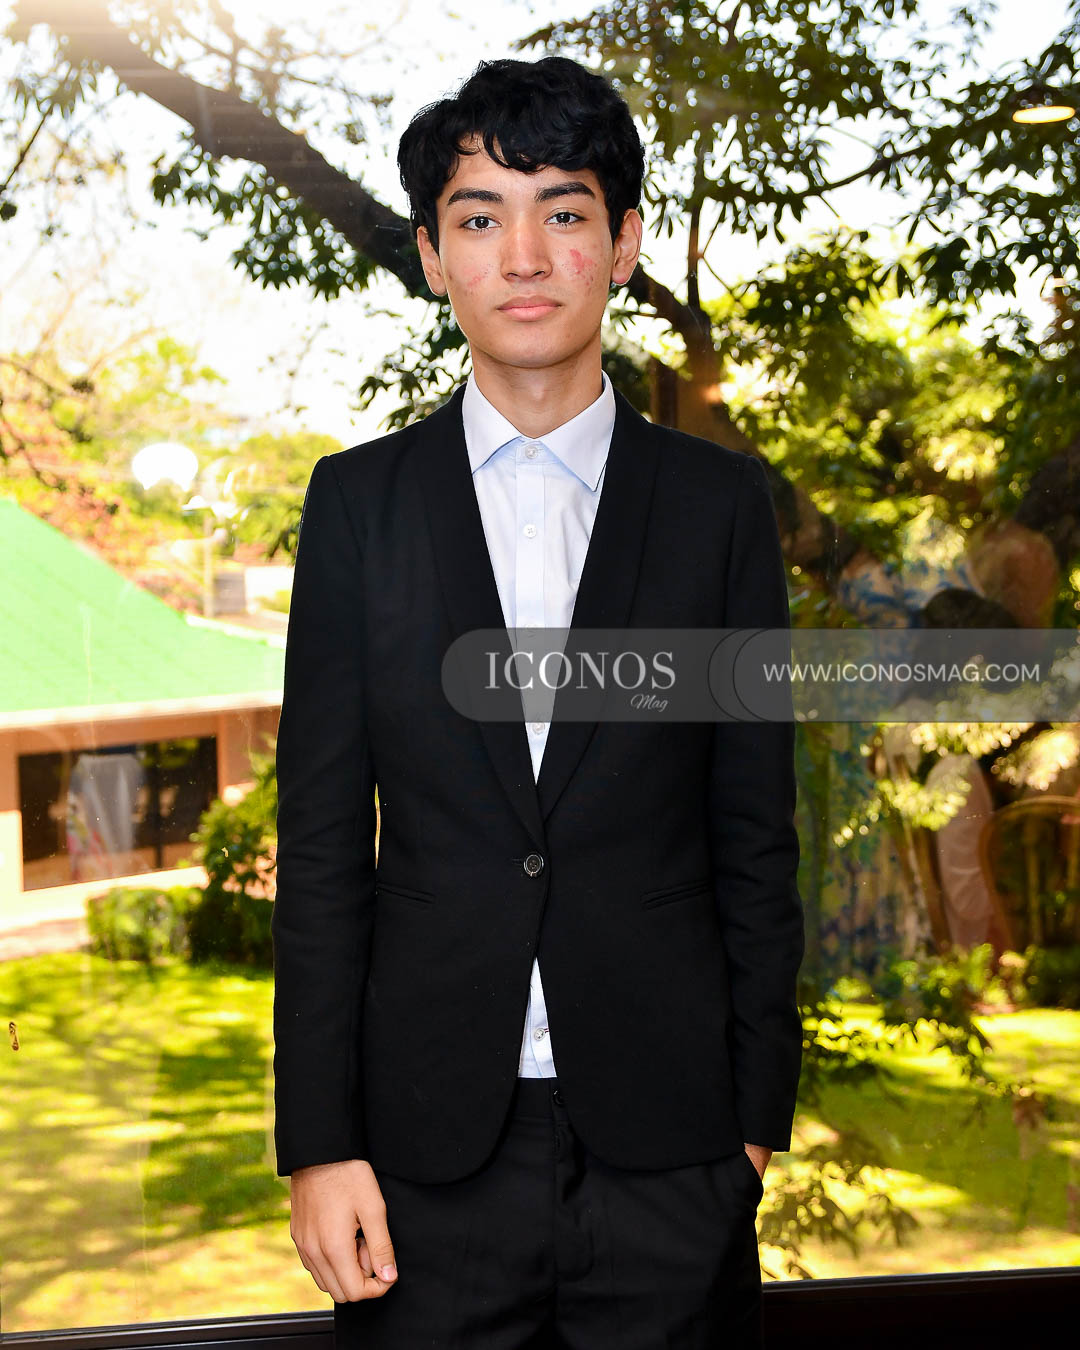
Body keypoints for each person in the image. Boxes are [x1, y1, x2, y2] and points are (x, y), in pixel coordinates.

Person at [271, 54, 804, 1350]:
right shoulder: (358, 506)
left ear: (622, 245)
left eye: (564, 211)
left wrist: (751, 1125)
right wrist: (320, 1144)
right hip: (422, 1156)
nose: (522, 254)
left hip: (674, 1148)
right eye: (479, 217)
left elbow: (753, 828)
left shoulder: (720, 508)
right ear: (433, 254)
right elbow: (324, 845)